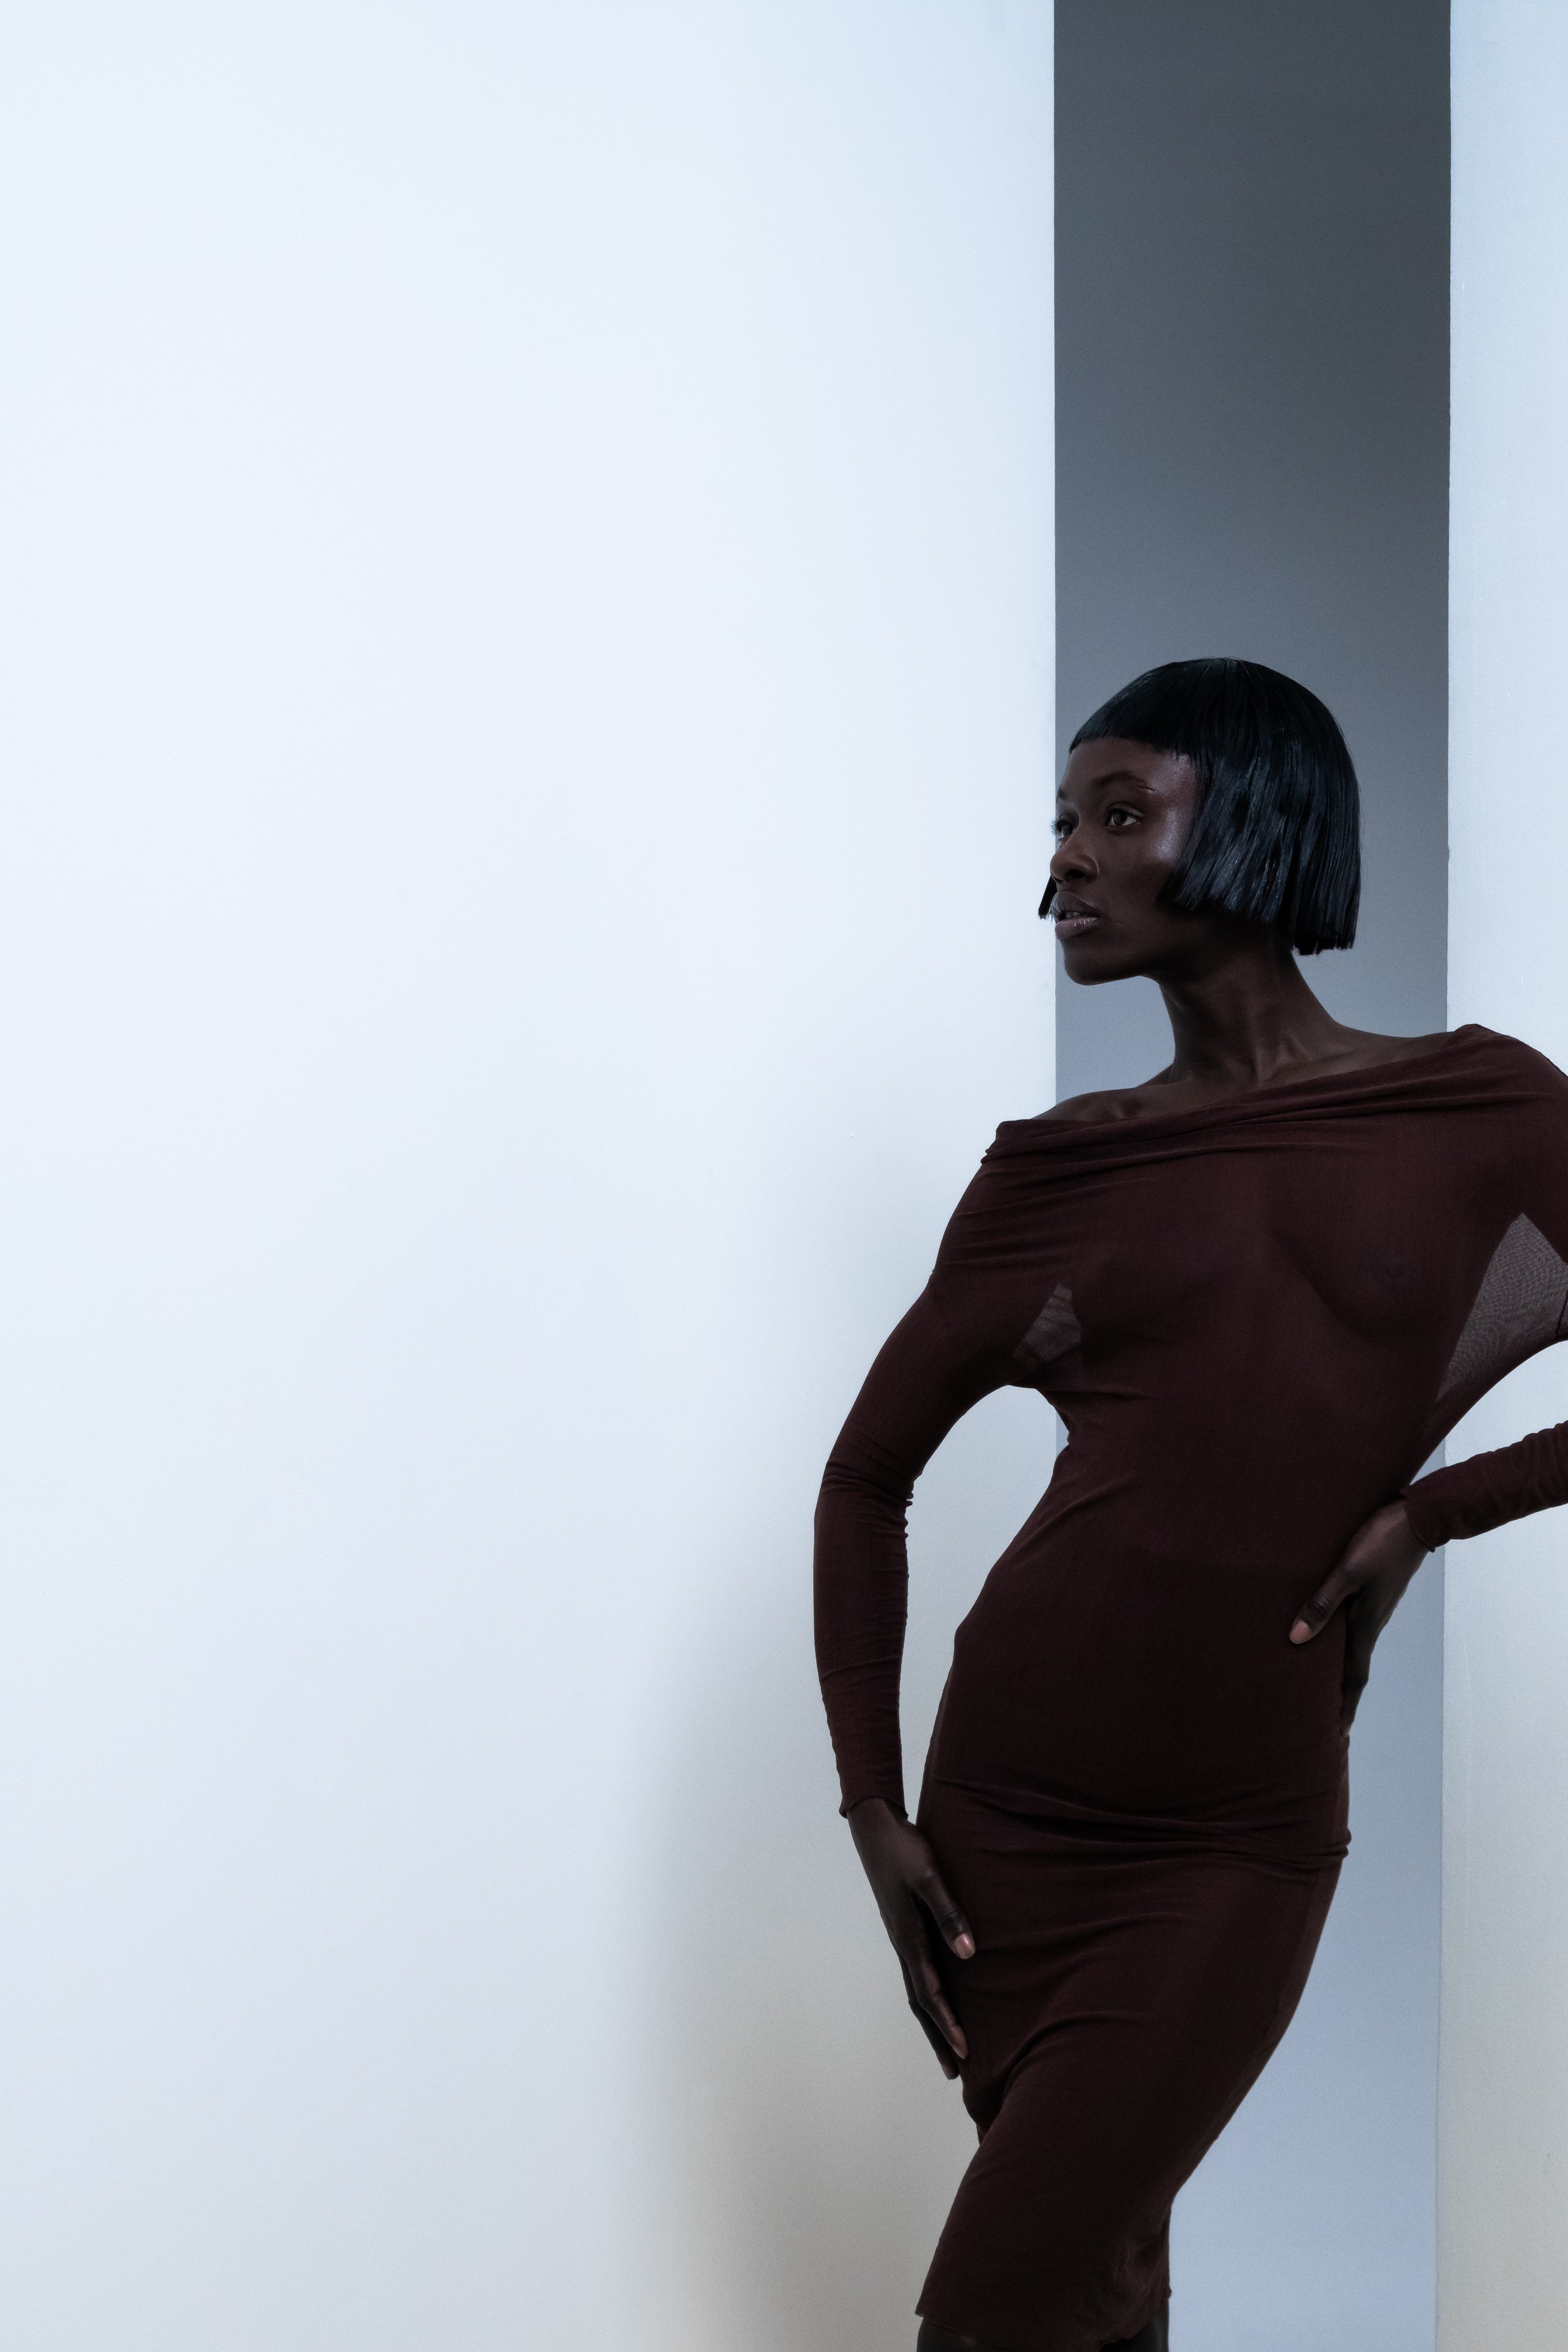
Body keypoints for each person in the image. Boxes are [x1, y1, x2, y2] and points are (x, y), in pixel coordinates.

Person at [813, 656, 1568, 2352]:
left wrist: (1436, 1512)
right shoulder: (1058, 1167)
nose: (1064, 862)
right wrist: (871, 1807)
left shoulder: (1477, 1109)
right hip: (1004, 1810)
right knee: (1100, 2290)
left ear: (1252, 820)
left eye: (1115, 814)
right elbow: (865, 1478)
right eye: (1061, 824)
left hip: (1232, 1828)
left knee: (997, 2311)